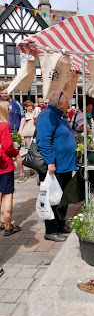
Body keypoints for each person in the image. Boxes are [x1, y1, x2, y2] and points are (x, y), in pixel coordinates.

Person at [36, 91, 77, 242]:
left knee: (63, 198)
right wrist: (50, 162)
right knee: (53, 199)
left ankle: (60, 225)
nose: (69, 104)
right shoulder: (48, 115)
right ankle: (51, 230)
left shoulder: (58, 115)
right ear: (60, 103)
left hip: (65, 165)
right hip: (56, 166)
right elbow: (43, 140)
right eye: (67, 102)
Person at [0, 101, 22, 236]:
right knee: (7, 194)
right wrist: (15, 152)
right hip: (5, 164)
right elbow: (8, 146)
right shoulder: (3, 126)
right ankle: (8, 226)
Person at [0, 86, 27, 183]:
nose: (4, 95)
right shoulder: (1, 104)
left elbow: (23, 117)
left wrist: (20, 130)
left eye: (5, 93)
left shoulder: (15, 103)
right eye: (2, 93)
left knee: (16, 154)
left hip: (14, 133)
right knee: (4, 154)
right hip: (3, 132)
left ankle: (22, 174)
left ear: (9, 93)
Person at [22, 100, 36, 175]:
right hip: (27, 134)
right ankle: (31, 167)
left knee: (34, 149)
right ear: (25, 107)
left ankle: (34, 166)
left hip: (33, 133)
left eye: (31, 106)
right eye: (29, 106)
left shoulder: (34, 113)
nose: (30, 107)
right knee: (30, 150)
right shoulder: (24, 115)